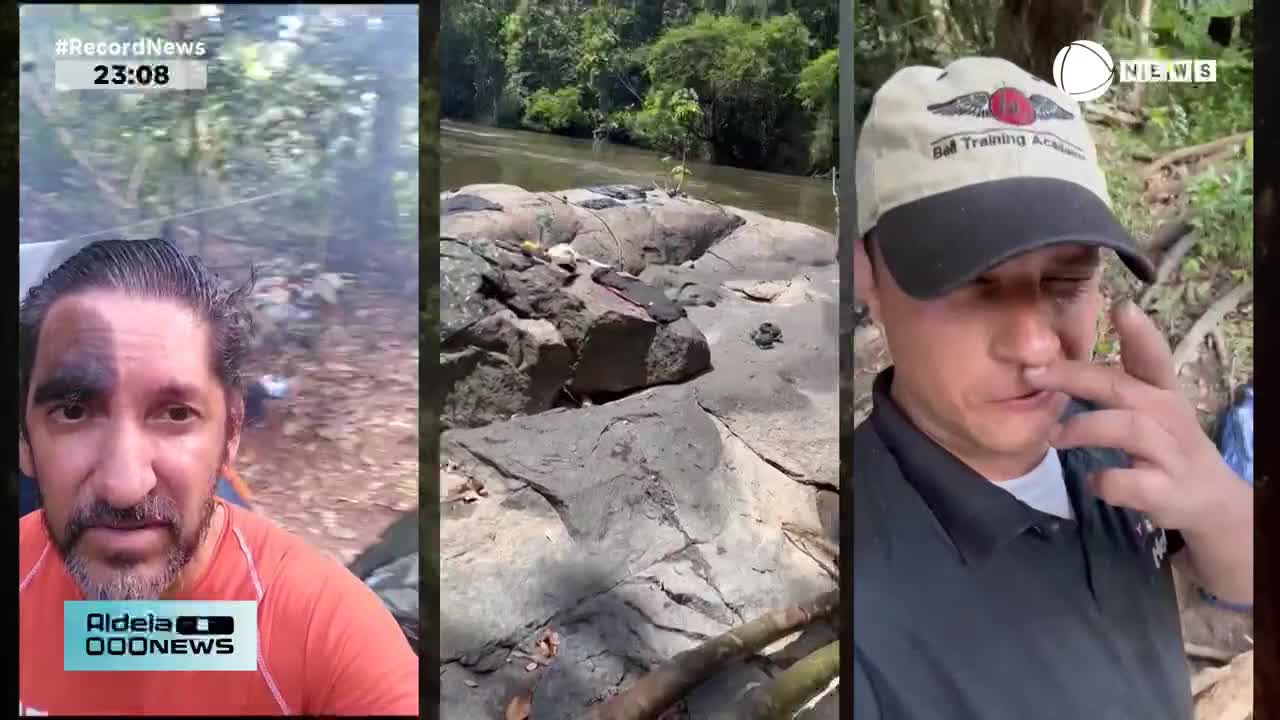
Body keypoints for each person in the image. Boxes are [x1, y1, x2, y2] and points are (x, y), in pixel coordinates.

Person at [851, 57, 1252, 719]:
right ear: (867, 275)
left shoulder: (1116, 429)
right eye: (970, 283)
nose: (1038, 346)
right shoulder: (867, 605)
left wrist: (1219, 505)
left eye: (1067, 282)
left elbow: (1236, 579)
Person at [18, 238, 419, 715]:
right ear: (23, 438)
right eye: (74, 410)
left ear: (230, 434)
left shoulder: (331, 636)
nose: (125, 485)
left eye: (174, 414)